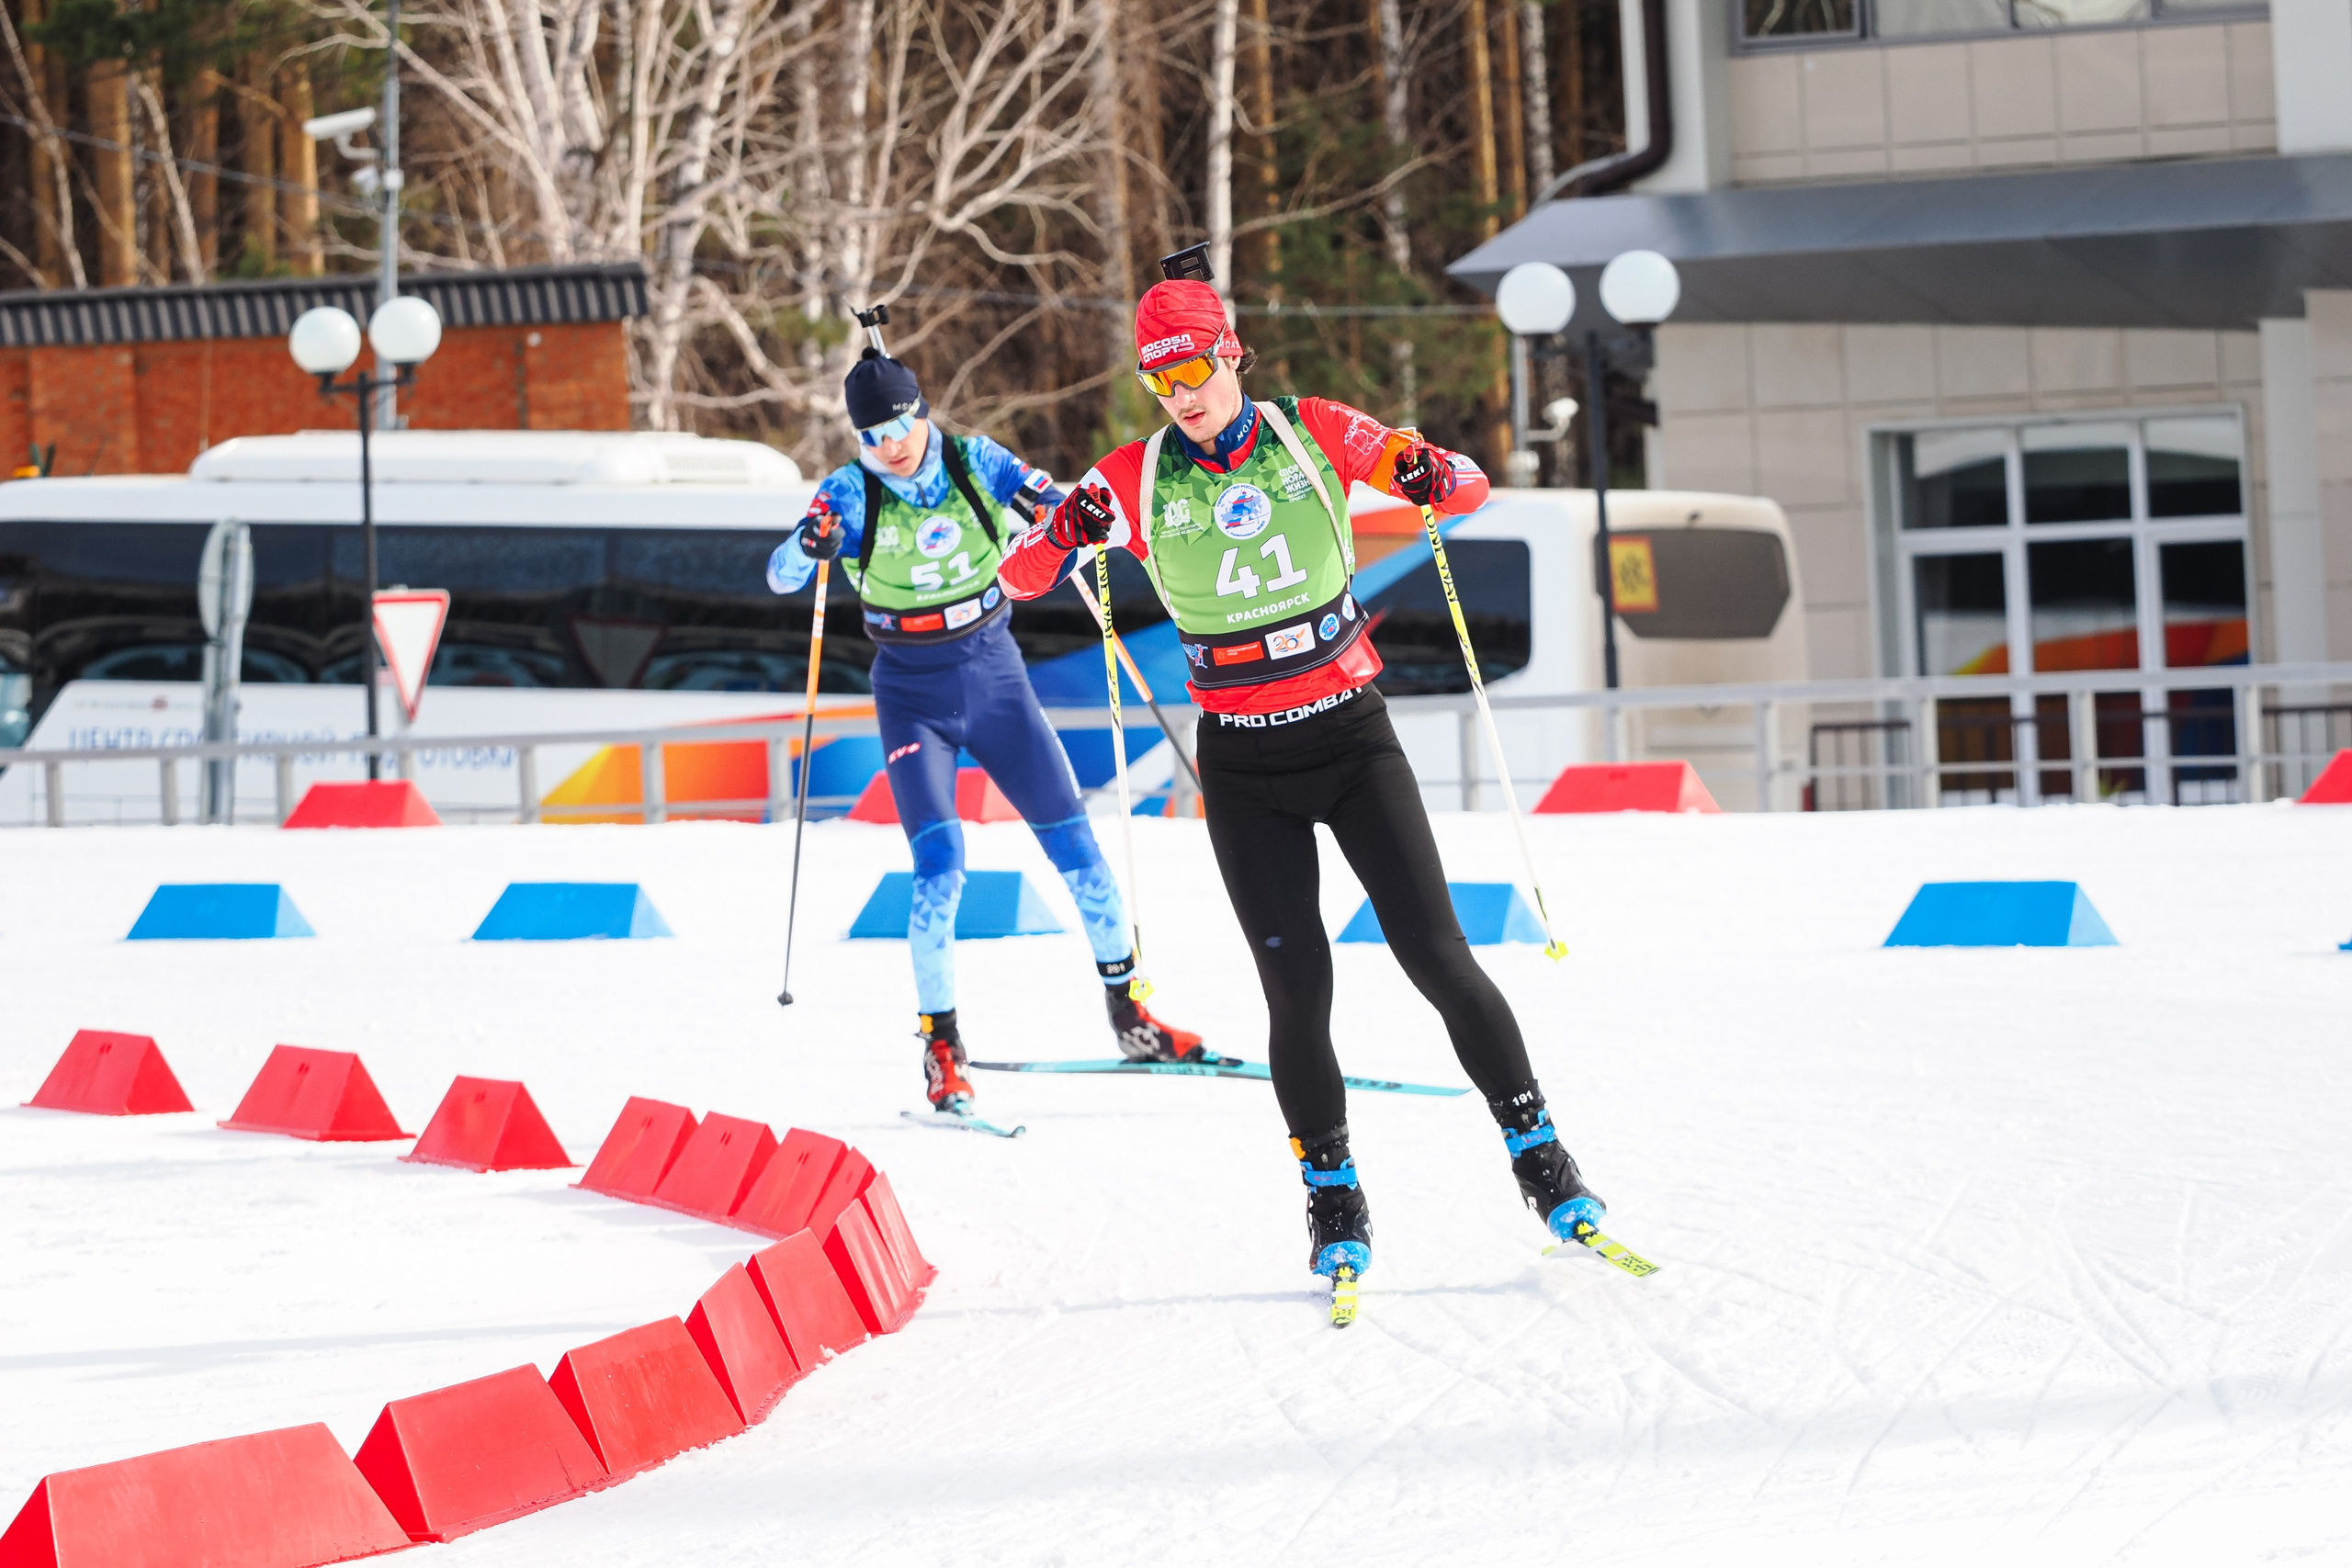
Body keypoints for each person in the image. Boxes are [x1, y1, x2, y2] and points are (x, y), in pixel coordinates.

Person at [996, 280, 1603, 1280]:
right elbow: (1018, 576)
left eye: (1193, 371)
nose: (1181, 397)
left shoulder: (1310, 429)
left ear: (1230, 353)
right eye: (1159, 381)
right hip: (1243, 766)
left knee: (1437, 957)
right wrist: (1063, 534)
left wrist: (1429, 471)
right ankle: (1332, 1195)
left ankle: (1541, 1155)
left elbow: (1465, 488)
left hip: (1352, 740)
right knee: (1296, 991)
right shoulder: (1134, 478)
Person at [767, 338, 1204, 1112]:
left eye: (899, 426)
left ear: (921, 411)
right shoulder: (849, 492)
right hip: (910, 690)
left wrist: (1061, 520)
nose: (890, 446)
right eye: (872, 435)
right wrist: (809, 545)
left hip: (994, 673)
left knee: (1078, 848)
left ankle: (1130, 1014)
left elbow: (1065, 517)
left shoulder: (976, 462)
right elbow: (780, 574)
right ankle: (942, 1048)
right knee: (939, 868)